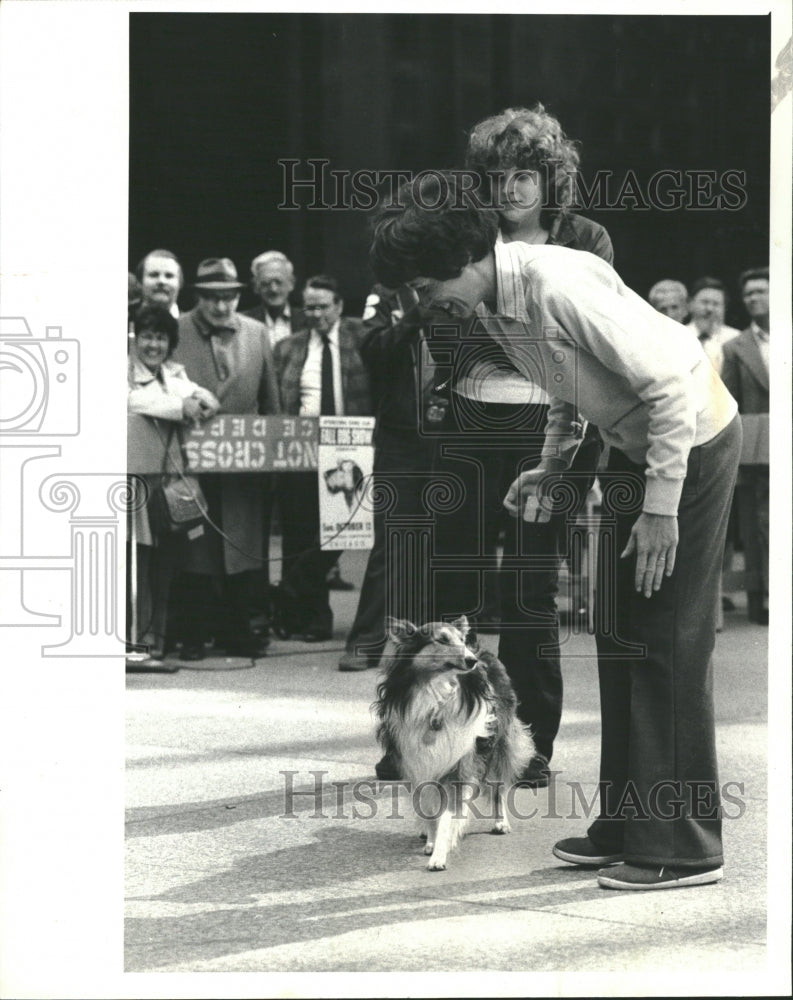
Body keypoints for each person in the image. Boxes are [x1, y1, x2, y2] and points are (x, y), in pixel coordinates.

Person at [370, 172, 741, 891]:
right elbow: (569, 390)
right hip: (637, 448)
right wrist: (547, 467)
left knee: (663, 637)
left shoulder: (551, 283)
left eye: (420, 286)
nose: (419, 305)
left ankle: (685, 846)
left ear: (463, 258)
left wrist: (662, 506)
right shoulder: (498, 302)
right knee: (621, 633)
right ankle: (630, 825)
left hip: (687, 445)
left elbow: (668, 383)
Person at [427, 105, 614, 787]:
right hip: (472, 426)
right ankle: (447, 738)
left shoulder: (585, 239)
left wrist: (577, 459)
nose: (510, 189)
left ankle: (528, 744)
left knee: (531, 591)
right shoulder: (465, 238)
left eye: (524, 176)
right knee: (458, 584)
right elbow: (437, 322)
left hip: (553, 431)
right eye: (498, 176)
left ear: (549, 177)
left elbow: (595, 342)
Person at [170, 258, 280, 661]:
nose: (221, 306)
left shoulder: (257, 332)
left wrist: (273, 457)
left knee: (242, 545)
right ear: (198, 296)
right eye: (212, 298)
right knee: (194, 545)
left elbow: (272, 399)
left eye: (229, 297)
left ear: (238, 295)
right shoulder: (177, 329)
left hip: (243, 460)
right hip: (191, 458)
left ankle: (241, 630)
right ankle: (193, 633)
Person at [337, 283, 437, 675]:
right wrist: (415, 316)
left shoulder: (461, 281)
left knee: (444, 540)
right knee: (391, 541)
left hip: (449, 428)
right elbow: (372, 349)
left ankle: (436, 643)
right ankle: (366, 640)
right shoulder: (384, 295)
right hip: (400, 433)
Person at [273, 275, 370, 641]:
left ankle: (288, 592)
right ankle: (311, 620)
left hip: (352, 449)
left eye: (322, 306)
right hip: (302, 450)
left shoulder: (361, 337)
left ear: (339, 306)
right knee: (299, 534)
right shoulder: (288, 347)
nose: (314, 314)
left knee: (340, 532)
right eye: (308, 307)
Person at [127, 305, 219, 665]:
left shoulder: (173, 374)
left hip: (167, 485)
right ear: (136, 337)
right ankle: (136, 645)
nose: (153, 344)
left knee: (164, 565)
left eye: (161, 337)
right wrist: (181, 406)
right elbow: (132, 400)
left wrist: (196, 403)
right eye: (147, 336)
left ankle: (156, 644)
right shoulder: (124, 371)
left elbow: (209, 398)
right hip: (134, 482)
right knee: (138, 565)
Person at [721, 267, 769, 625]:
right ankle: (762, 598)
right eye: (749, 293)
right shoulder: (735, 347)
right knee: (759, 525)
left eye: (761, 291)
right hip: (759, 449)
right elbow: (730, 401)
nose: (754, 298)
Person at [243, 250, 307, 349]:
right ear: (255, 287)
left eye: (279, 282)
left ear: (291, 283)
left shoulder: (309, 320)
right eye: (266, 283)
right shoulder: (243, 322)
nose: (273, 289)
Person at [686, 276, 740, 375]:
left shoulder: (736, 339)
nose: (709, 309)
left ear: (724, 308)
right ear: (690, 304)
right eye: (704, 302)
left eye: (716, 304)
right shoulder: (678, 336)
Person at [136, 248, 184, 318]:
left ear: (180, 283)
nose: (161, 281)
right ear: (139, 283)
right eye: (154, 275)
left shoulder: (192, 325)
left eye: (169, 276)